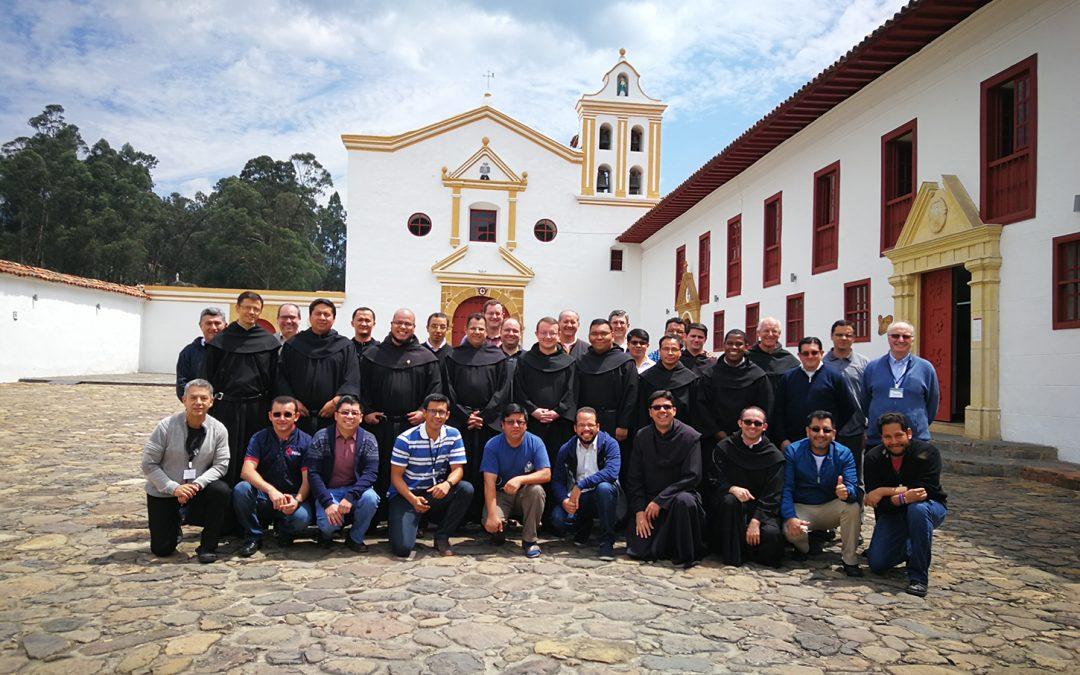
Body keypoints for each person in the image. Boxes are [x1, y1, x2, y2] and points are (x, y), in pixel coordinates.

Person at [360, 308, 443, 521]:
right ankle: (375, 517)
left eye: (408, 324)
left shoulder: (426, 357)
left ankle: (408, 518)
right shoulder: (372, 355)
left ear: (414, 328)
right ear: (391, 324)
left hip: (412, 428)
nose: (403, 327)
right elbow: (361, 387)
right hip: (379, 427)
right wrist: (367, 412)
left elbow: (435, 390)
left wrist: (424, 412)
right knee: (377, 471)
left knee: (410, 473)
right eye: (399, 323)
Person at [141, 379, 231, 563]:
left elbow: (221, 464)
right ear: (184, 400)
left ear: (211, 401)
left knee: (221, 491)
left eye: (203, 398)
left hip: (197, 490)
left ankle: (208, 546)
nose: (198, 402)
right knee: (162, 549)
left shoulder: (219, 429)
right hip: (165, 490)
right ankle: (174, 525)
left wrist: (197, 484)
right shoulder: (165, 426)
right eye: (193, 398)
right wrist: (173, 488)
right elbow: (148, 464)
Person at [864, 412, 948, 597]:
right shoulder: (873, 458)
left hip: (931, 507)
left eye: (898, 435)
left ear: (908, 433)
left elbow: (925, 492)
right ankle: (913, 545)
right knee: (877, 564)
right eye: (887, 436)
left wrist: (884, 492)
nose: (894, 441)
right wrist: (899, 495)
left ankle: (918, 577)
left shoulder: (928, 452)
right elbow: (875, 502)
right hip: (893, 514)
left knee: (917, 510)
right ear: (881, 438)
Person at [201, 291, 280, 486]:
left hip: (257, 409)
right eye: (247, 307)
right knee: (224, 455)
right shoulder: (221, 341)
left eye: (256, 309)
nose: (251, 312)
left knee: (255, 455)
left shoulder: (268, 342)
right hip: (225, 408)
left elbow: (275, 379)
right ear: (237, 308)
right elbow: (206, 378)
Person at [625, 390, 706, 568]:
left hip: (677, 501)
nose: (662, 411)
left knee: (685, 500)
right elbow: (634, 478)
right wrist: (639, 511)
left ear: (674, 411)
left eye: (667, 407)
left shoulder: (690, 436)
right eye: (657, 407)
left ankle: (683, 552)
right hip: (648, 503)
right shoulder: (642, 436)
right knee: (640, 550)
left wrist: (661, 500)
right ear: (650, 412)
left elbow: (693, 476)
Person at [388, 394, 474, 558]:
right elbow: (396, 477)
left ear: (448, 415)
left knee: (465, 489)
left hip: (434, 492)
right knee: (403, 549)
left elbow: (458, 469)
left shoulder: (453, 434)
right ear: (425, 413)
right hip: (407, 495)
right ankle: (413, 522)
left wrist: (447, 484)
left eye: (442, 412)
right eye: (433, 411)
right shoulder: (405, 439)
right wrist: (413, 499)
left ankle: (442, 536)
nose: (437, 416)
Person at [443, 313, 510, 521]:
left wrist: (484, 415)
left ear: (487, 331)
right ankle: (459, 516)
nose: (477, 332)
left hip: (487, 423)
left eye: (481, 329)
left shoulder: (498, 356)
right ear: (465, 330)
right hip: (461, 423)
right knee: (460, 468)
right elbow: (449, 389)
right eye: (473, 328)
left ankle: (483, 513)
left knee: (486, 468)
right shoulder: (453, 356)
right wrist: (465, 416)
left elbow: (502, 390)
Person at [781, 410, 863, 576]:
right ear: (807, 431)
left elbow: (853, 486)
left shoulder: (844, 453)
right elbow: (786, 488)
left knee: (852, 507)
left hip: (829, 508)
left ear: (834, 433)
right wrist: (790, 517)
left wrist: (847, 492)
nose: (821, 434)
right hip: (802, 508)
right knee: (789, 530)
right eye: (815, 429)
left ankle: (850, 560)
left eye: (826, 430)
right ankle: (804, 548)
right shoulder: (793, 451)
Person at [233, 396, 314, 556]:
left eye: (287, 414)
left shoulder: (307, 441)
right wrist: (270, 491)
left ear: (296, 416)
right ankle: (254, 536)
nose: (282, 419)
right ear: (270, 416)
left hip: (292, 497)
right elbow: (246, 471)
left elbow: (308, 480)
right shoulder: (259, 438)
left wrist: (296, 500)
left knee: (302, 518)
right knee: (241, 489)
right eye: (277, 414)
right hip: (265, 495)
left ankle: (285, 531)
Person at [706, 406, 785, 567]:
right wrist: (731, 488)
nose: (752, 426)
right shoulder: (725, 447)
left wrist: (756, 521)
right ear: (740, 423)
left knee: (771, 536)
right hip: (731, 510)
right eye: (748, 422)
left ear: (764, 427)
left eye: (757, 423)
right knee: (729, 501)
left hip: (760, 510)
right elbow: (713, 478)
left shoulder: (774, 456)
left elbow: (773, 494)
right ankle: (731, 556)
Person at [304, 396, 380, 552]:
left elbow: (370, 473)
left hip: (355, 489)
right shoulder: (321, 437)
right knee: (328, 525)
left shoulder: (368, 439)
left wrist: (351, 496)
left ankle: (355, 537)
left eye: (354, 413)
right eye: (345, 412)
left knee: (371, 498)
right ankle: (326, 535)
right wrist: (327, 502)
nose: (350, 417)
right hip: (329, 491)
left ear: (361, 417)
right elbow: (313, 473)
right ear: (336, 415)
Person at [275, 299, 360, 436]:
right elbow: (281, 377)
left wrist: (336, 402)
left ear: (333, 318)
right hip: (298, 417)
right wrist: (293, 402)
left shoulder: (345, 346)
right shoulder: (293, 344)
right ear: (310, 317)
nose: (322, 318)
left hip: (333, 417)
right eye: (318, 314)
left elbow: (352, 379)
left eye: (326, 314)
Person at [550, 407, 621, 560]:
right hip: (578, 498)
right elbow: (557, 480)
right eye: (581, 425)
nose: (586, 429)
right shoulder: (566, 449)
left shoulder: (610, 444)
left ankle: (607, 542)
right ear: (575, 428)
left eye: (590, 425)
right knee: (557, 519)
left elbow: (611, 473)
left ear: (598, 427)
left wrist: (581, 485)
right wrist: (564, 500)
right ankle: (583, 526)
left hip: (604, 496)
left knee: (604, 488)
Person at [481, 404, 551, 558]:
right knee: (493, 528)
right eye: (510, 422)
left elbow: (546, 474)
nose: (516, 426)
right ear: (502, 425)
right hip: (501, 495)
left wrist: (520, 479)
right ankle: (500, 528)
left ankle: (530, 541)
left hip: (524, 495)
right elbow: (489, 483)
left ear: (526, 425)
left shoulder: (535, 442)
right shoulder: (492, 445)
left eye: (520, 422)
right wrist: (492, 515)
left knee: (537, 490)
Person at [575, 319, 638, 485]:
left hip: (615, 423)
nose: (599, 337)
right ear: (589, 336)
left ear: (612, 335)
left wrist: (623, 424)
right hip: (587, 424)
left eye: (603, 333)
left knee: (613, 466)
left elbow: (631, 395)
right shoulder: (581, 361)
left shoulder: (625, 361)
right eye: (594, 334)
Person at [862, 321, 940, 448]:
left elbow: (932, 402)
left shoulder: (926, 368)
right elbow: (865, 401)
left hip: (915, 440)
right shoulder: (872, 367)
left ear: (913, 340)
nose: (901, 340)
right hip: (879, 440)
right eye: (895, 336)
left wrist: (916, 422)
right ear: (888, 338)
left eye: (906, 336)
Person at [514, 316, 577, 467]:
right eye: (543, 333)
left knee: (558, 465)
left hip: (559, 425)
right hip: (531, 423)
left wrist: (557, 411)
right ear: (536, 334)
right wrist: (533, 410)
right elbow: (518, 389)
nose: (548, 337)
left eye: (552, 333)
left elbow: (572, 391)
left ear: (559, 334)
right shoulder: (524, 360)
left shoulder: (569, 362)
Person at [775, 337, 853, 447]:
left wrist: (830, 431)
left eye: (814, 352)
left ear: (821, 353)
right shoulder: (788, 378)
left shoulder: (835, 377)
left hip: (825, 442)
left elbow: (848, 408)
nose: (810, 356)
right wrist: (783, 439)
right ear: (799, 356)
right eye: (805, 353)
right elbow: (778, 411)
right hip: (794, 443)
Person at [701, 329, 773, 442]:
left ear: (746, 347)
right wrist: (717, 432)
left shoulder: (758, 376)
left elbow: (766, 408)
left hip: (750, 437)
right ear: (723, 345)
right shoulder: (709, 375)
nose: (734, 347)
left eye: (739, 344)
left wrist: (749, 432)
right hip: (715, 439)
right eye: (729, 343)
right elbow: (702, 408)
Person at [823, 320, 869, 480]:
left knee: (854, 474)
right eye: (839, 334)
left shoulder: (863, 364)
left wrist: (867, 427)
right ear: (831, 336)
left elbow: (869, 396)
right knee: (828, 473)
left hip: (855, 429)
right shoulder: (821, 363)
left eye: (848, 335)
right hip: (827, 429)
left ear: (854, 338)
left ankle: (855, 505)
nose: (843, 338)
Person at [747, 317, 800, 444]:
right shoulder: (747, 357)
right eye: (766, 331)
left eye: (774, 331)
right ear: (758, 333)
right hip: (753, 420)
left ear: (779, 334)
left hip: (782, 419)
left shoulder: (789, 360)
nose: (770, 335)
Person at [638, 335, 707, 432]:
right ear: (659, 351)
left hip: (683, 434)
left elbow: (696, 413)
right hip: (651, 433)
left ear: (680, 352)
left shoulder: (691, 379)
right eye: (666, 349)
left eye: (674, 349)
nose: (670, 353)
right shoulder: (646, 378)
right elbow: (641, 412)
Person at [175, 307, 226, 400]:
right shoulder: (188, 352)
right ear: (200, 325)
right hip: (199, 408)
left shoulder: (234, 351)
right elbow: (182, 384)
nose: (213, 327)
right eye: (209, 323)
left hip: (227, 408)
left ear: (225, 325)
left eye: (217, 323)